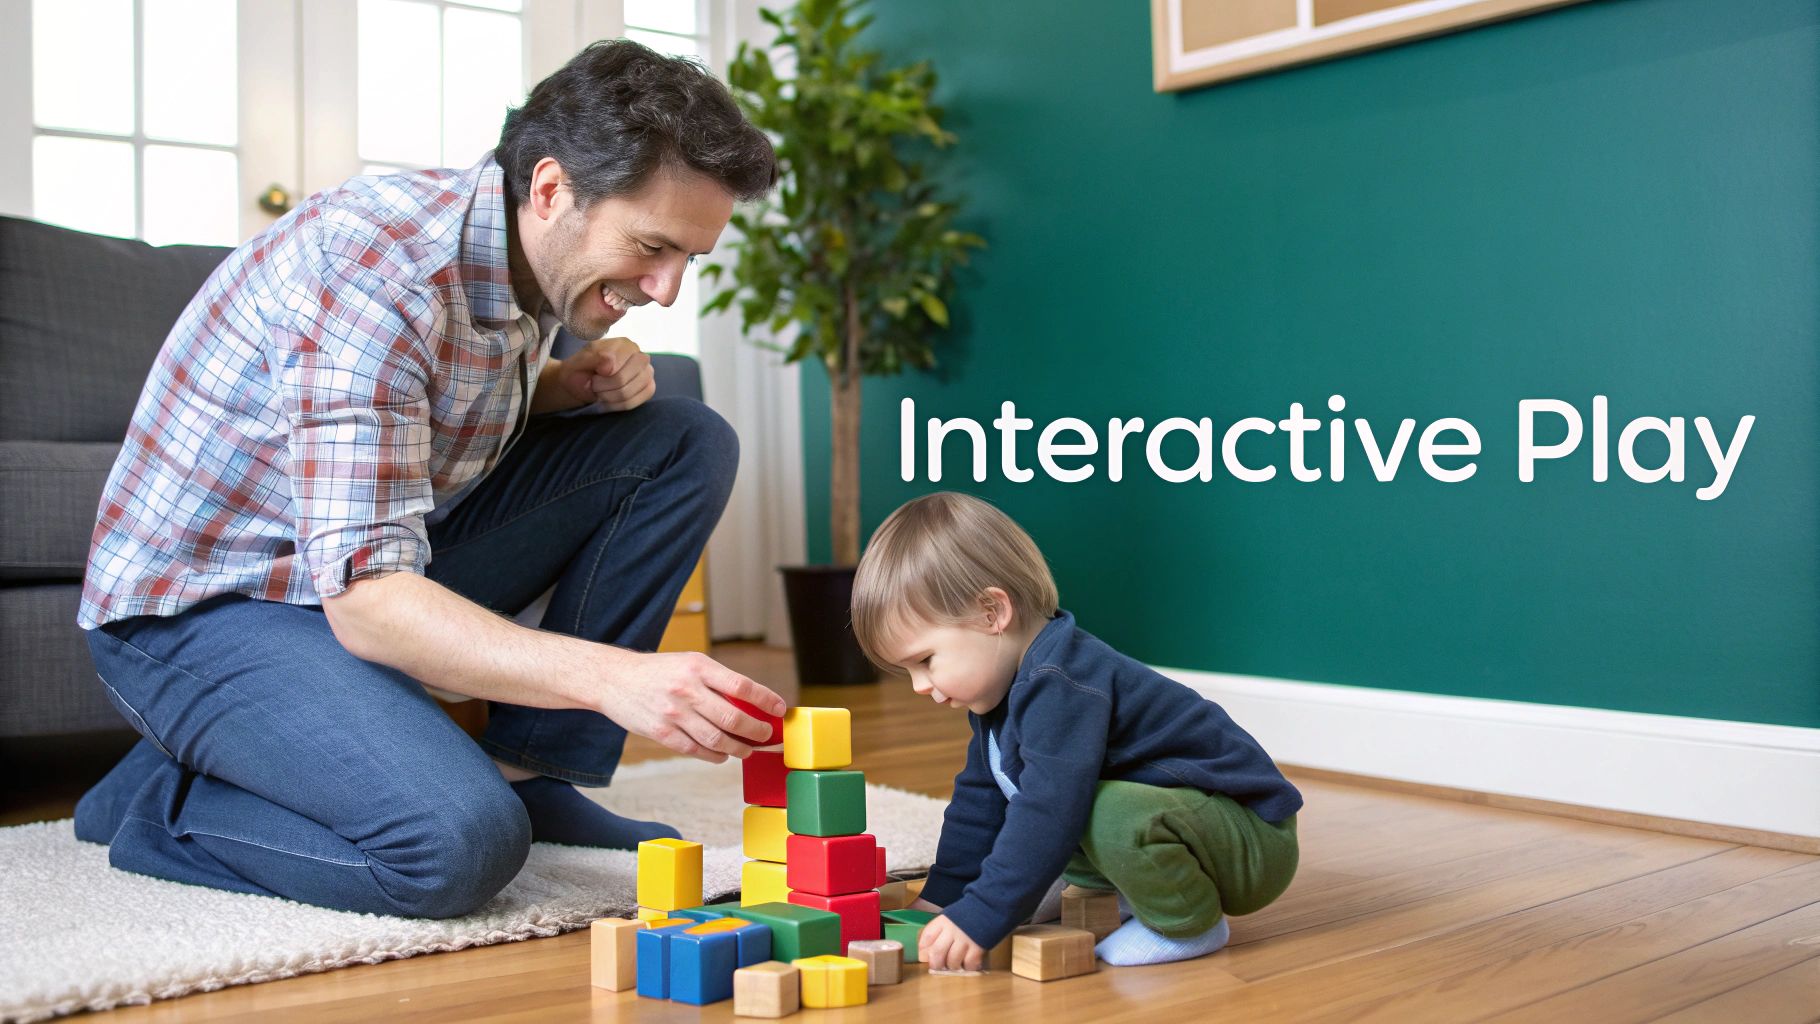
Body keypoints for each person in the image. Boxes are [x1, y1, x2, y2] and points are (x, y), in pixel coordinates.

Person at [70, 40, 785, 919]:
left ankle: (535, 772)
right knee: (452, 848)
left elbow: (419, 431)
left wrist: (562, 390)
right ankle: (155, 804)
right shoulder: (374, 273)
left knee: (681, 437)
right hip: (203, 610)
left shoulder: (528, 258)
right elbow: (370, 599)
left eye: (689, 259)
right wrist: (612, 678)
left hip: (337, 573)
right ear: (553, 190)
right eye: (652, 247)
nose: (667, 289)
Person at [849, 492, 1303, 969]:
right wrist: (944, 898)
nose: (920, 686)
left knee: (1083, 809)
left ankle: (1190, 924)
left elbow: (1049, 809)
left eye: (925, 661)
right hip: (1185, 821)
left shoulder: (1063, 683)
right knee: (1018, 798)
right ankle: (1085, 887)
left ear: (991, 613)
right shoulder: (1001, 697)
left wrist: (985, 911)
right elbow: (978, 804)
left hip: (1252, 842)